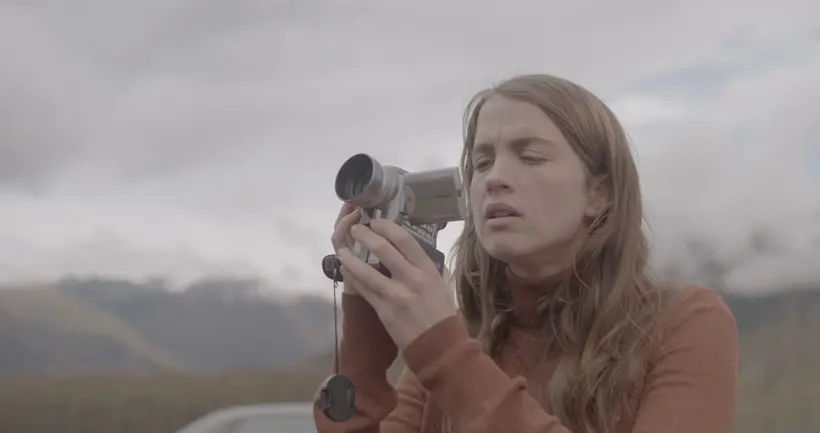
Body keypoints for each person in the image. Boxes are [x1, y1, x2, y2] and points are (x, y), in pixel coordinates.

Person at [313, 74, 738, 433]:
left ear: (600, 192)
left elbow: (450, 360)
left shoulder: (685, 323)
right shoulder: (464, 337)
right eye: (481, 163)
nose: (495, 178)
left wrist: (442, 351)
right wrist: (364, 324)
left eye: (530, 157)